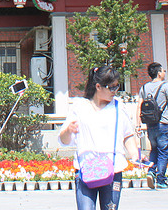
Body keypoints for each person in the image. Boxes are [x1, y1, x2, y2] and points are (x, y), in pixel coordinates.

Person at [58, 65, 140, 210]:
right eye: (112, 87)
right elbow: (63, 140)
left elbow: (127, 135)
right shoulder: (80, 107)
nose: (115, 91)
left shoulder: (118, 108)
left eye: (117, 87)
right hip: (85, 168)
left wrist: (136, 156)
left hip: (112, 170)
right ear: (98, 86)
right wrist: (69, 131)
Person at [136, 62, 168, 189]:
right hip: (163, 124)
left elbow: (139, 107)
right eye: (163, 71)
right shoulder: (165, 86)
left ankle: (151, 171)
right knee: (163, 152)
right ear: (159, 73)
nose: (165, 73)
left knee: (154, 149)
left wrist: (138, 125)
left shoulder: (144, 88)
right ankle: (161, 179)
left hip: (150, 125)